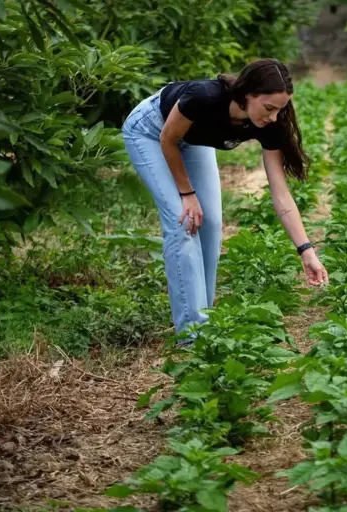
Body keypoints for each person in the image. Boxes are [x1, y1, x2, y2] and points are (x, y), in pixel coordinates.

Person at [122, 58, 328, 339]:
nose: (273, 117)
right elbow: (168, 140)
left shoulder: (269, 124)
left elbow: (280, 193)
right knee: (183, 221)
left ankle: (203, 321)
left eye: (280, 110)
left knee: (211, 223)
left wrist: (307, 251)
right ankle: (192, 336)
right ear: (247, 94)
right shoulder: (204, 97)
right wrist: (187, 194)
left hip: (193, 139)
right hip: (151, 131)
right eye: (269, 108)